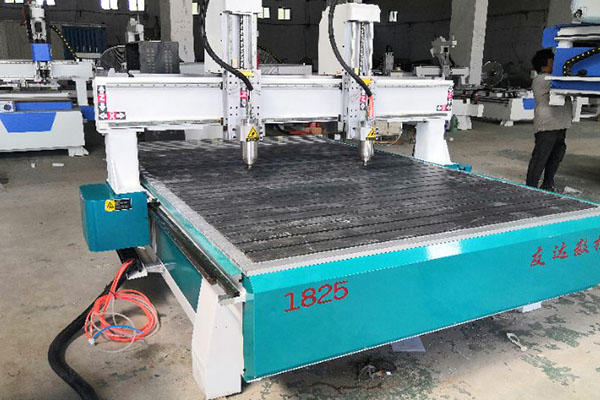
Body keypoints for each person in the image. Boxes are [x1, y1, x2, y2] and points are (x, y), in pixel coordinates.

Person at [526, 49, 573, 192]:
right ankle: (530, 187)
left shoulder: (552, 78)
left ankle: (548, 184)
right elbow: (565, 83)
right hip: (548, 126)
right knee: (541, 157)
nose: (556, 64)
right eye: (552, 62)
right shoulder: (542, 79)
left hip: (560, 125)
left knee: (555, 157)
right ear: (543, 67)